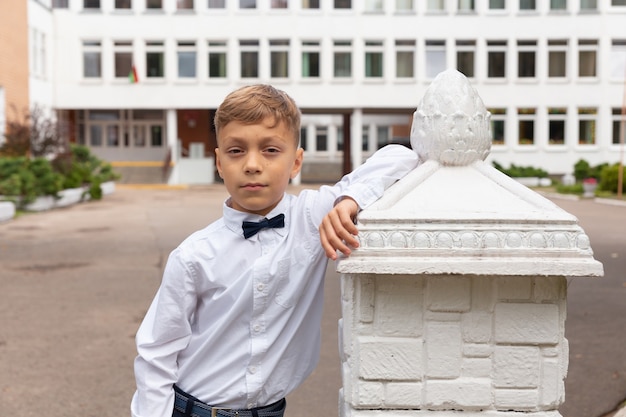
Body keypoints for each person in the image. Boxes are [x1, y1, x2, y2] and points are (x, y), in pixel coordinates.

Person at [130, 84, 419, 417]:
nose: (252, 164)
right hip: (191, 410)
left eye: (270, 150)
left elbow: (404, 155)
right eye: (236, 151)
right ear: (219, 163)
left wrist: (349, 200)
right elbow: (157, 351)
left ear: (296, 162)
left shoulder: (314, 216)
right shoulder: (193, 255)